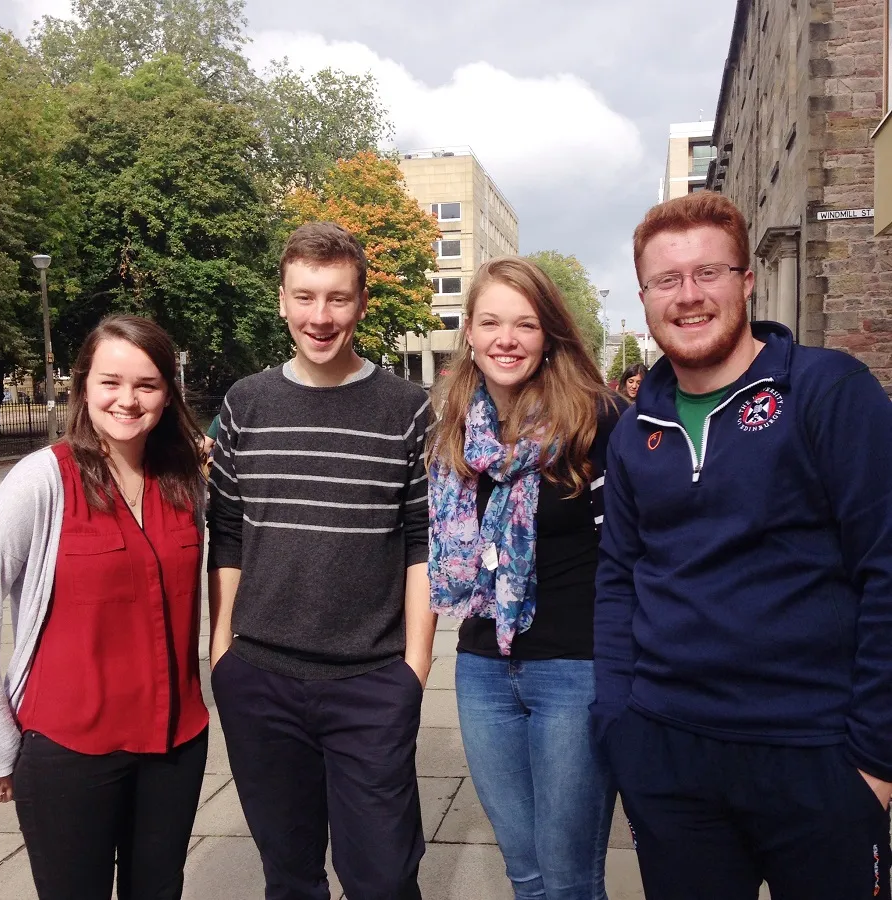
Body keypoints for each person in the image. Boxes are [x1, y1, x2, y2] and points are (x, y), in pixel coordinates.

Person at [593, 190, 892, 900]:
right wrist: (619, 728)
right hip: (669, 756)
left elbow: (885, 568)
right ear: (644, 297)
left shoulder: (827, 391)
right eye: (667, 279)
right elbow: (619, 580)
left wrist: (876, 758)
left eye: (709, 272)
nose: (688, 295)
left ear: (747, 281)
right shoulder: (636, 430)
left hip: (816, 753)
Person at [207, 221, 435, 899]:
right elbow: (227, 532)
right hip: (260, 679)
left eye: (337, 298)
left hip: (371, 681)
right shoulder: (246, 404)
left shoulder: (407, 409)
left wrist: (414, 670)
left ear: (361, 302)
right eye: (305, 297)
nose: (320, 316)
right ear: (282, 300)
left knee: (384, 878)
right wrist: (222, 654)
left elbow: (421, 540)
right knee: (289, 876)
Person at [0, 315, 208, 899]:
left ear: (168, 393)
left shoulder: (184, 482)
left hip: (174, 743)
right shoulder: (42, 480)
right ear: (83, 384)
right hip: (70, 749)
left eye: (147, 384)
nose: (127, 400)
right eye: (110, 382)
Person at [428, 257, 624, 900]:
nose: (506, 339)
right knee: (526, 873)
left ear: (549, 335)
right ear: (470, 333)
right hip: (483, 667)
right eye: (490, 323)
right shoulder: (459, 427)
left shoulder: (598, 418)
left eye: (525, 324)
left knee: (569, 880)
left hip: (574, 669)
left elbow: (634, 549)